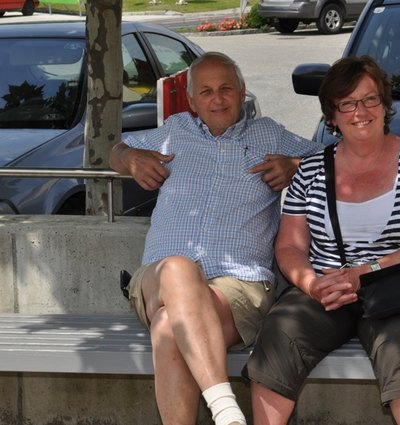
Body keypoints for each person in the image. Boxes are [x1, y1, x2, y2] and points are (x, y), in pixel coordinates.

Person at [108, 51, 319, 425]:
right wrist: (130, 158)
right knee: (178, 268)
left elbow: (335, 158)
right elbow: (115, 150)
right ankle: (225, 408)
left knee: (167, 327)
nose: (217, 99)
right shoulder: (174, 132)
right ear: (192, 100)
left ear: (242, 91)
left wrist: (296, 166)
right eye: (205, 91)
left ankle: (223, 410)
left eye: (226, 89)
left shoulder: (269, 135)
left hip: (239, 288)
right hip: (157, 282)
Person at [243, 55, 400, 425]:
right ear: (332, 116)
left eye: (370, 99)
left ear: (385, 106)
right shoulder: (310, 171)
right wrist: (313, 285)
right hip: (326, 289)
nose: (361, 111)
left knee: (399, 350)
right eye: (348, 103)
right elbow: (290, 246)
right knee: (280, 335)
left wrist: (363, 273)